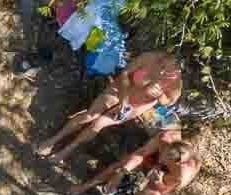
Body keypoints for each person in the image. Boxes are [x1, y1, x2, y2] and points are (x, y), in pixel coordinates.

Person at [36, 51, 183, 162]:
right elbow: (125, 73)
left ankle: (67, 150)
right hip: (119, 91)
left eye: (167, 67)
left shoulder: (175, 81)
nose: (162, 67)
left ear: (176, 69)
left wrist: (159, 94)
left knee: (98, 124)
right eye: (162, 62)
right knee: (90, 115)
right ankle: (53, 140)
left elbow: (168, 102)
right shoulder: (149, 57)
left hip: (135, 106)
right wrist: (123, 99)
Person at [67, 132, 201, 195]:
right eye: (165, 153)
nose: (164, 158)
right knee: (121, 166)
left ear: (177, 163)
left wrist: (158, 180)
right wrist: (121, 173)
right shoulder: (164, 139)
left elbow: (163, 190)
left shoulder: (181, 175)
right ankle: (84, 186)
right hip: (152, 158)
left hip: (165, 177)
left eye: (168, 159)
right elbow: (140, 154)